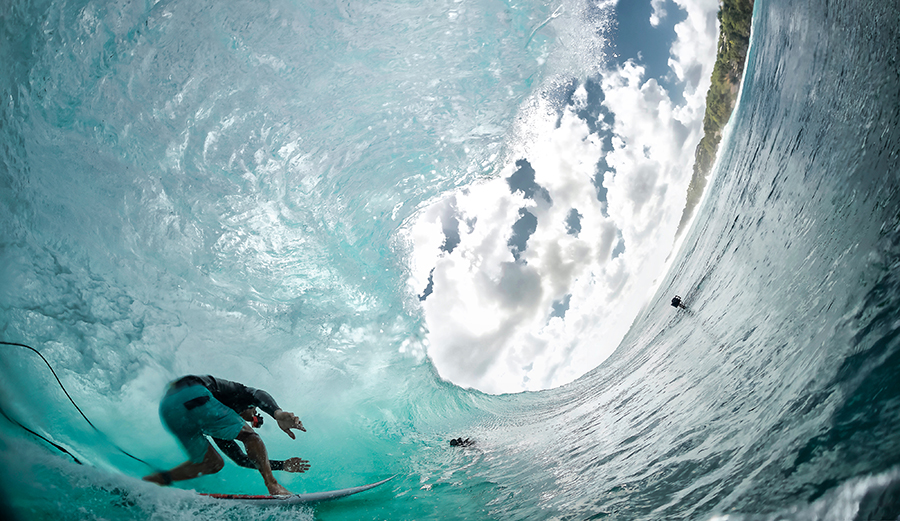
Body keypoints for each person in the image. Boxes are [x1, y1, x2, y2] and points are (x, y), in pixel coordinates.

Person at [143, 375, 308, 495]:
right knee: (251, 437)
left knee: (212, 463)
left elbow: (242, 460)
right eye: (254, 413)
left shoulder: (219, 425)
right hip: (191, 392)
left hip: (168, 409)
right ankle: (273, 485)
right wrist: (277, 413)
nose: (253, 417)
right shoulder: (236, 394)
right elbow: (257, 395)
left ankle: (155, 480)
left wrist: (283, 465)